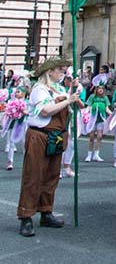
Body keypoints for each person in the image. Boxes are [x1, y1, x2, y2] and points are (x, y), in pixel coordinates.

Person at [17, 57, 81, 237]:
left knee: (51, 176)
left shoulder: (58, 88)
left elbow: (66, 105)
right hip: (39, 135)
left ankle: (46, 211)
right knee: (34, 175)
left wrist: (71, 92)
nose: (63, 73)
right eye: (60, 70)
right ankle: (26, 216)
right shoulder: (39, 89)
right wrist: (69, 100)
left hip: (56, 136)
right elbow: (46, 110)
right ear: (50, 71)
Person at [84, 82, 112, 163]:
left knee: (99, 136)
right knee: (92, 137)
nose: (100, 90)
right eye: (99, 88)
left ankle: (96, 154)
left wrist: (113, 115)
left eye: (102, 89)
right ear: (96, 89)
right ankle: (89, 154)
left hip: (101, 119)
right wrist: (85, 114)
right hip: (93, 119)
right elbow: (88, 107)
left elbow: (107, 109)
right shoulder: (92, 97)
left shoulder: (105, 98)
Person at [4, 86, 29, 170]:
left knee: (25, 143)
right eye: (16, 92)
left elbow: (29, 112)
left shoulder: (28, 102)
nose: (16, 93)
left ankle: (27, 162)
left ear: (24, 93)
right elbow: (8, 112)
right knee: (11, 143)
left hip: (24, 124)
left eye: (18, 91)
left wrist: (24, 112)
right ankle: (10, 162)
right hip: (14, 123)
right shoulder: (12, 102)